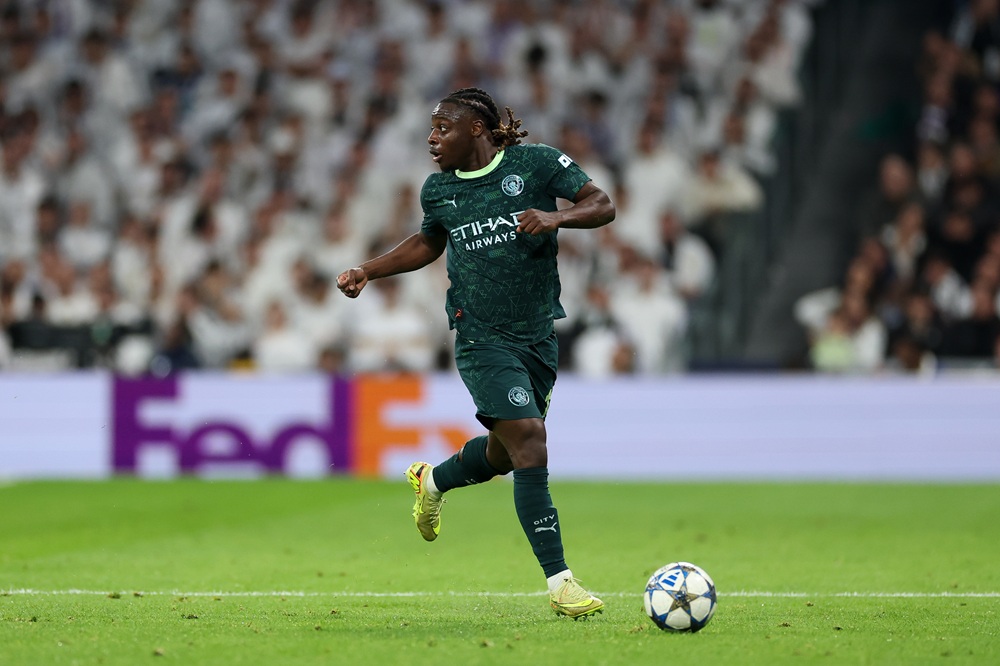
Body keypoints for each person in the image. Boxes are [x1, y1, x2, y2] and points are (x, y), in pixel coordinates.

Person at [337, 87, 615, 619]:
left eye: (443, 128)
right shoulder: (439, 191)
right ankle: (561, 583)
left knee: (505, 454)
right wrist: (368, 270)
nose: (431, 137)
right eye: (432, 128)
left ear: (477, 131)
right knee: (530, 441)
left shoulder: (535, 164)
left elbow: (602, 204)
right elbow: (427, 244)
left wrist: (555, 218)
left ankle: (434, 480)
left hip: (537, 336)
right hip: (479, 338)